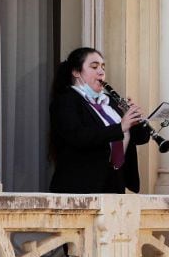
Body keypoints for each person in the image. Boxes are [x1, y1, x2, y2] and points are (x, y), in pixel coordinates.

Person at [48, 47, 150, 194]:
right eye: (94, 66)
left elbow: (141, 138)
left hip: (114, 184)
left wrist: (136, 120)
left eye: (103, 67)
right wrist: (120, 127)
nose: (101, 72)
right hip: (80, 187)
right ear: (76, 72)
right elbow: (78, 136)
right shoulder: (66, 101)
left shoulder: (110, 103)